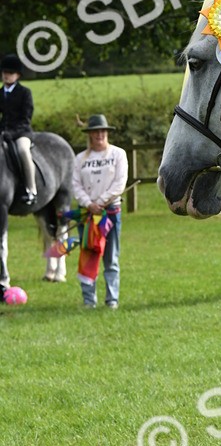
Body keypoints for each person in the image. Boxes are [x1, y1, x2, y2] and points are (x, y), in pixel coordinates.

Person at [72, 114, 128, 307]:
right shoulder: (80, 159)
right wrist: (89, 204)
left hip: (109, 213)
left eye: (102, 131)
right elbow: (75, 185)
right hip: (87, 215)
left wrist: (101, 202)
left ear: (107, 133)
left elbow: (120, 183)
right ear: (89, 135)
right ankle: (89, 300)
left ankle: (111, 300)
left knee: (110, 256)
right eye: (95, 132)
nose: (99, 135)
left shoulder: (118, 154)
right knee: (88, 254)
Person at [0, 53, 38, 206]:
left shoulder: (24, 93)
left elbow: (26, 118)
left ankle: (31, 189)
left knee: (23, 150)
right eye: (4, 73)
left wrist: (13, 133)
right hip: (4, 132)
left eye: (10, 73)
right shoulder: (0, 93)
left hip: (22, 131)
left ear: (17, 75)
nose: (6, 76)